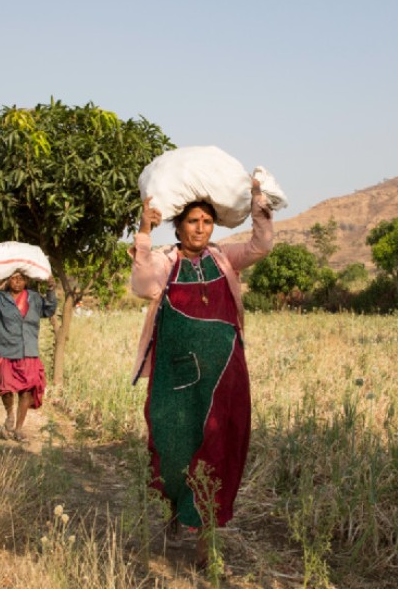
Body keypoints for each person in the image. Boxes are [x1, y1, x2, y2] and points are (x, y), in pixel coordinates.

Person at [130, 178, 273, 566]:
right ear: (177, 227)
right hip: (176, 379)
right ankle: (178, 508)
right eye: (193, 221)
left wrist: (260, 209)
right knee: (174, 447)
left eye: (207, 221)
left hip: (223, 375)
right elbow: (143, 286)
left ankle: (205, 544)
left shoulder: (225, 258)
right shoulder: (165, 261)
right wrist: (144, 230)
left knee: (217, 448)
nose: (200, 228)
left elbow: (261, 246)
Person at [0, 264, 57, 442]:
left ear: (26, 280)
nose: (17, 281)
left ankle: (19, 429)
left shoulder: (34, 298)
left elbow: (49, 310)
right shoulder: (0, 298)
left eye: (20, 278)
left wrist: (51, 289)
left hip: (29, 351)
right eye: (13, 278)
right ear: (7, 280)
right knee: (6, 388)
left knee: (26, 391)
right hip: (6, 350)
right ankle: (9, 415)